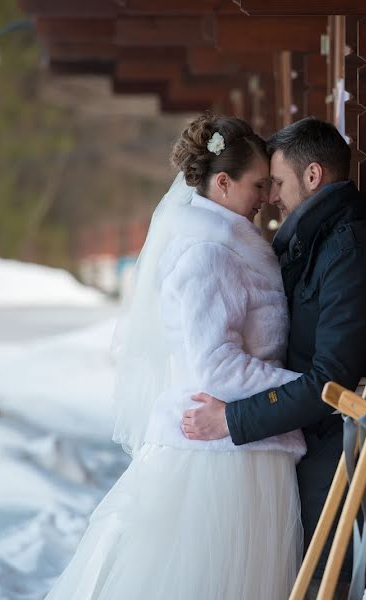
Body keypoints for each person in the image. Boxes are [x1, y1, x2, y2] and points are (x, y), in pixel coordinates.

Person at [45, 113, 305, 600]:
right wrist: (308, 389)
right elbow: (216, 366)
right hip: (222, 458)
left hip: (244, 442)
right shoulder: (208, 252)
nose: (269, 197)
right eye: (258, 184)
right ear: (222, 183)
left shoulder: (229, 245)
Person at [181, 117, 366, 598]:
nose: (271, 197)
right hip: (308, 450)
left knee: (325, 585)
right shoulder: (311, 242)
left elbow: (331, 378)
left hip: (335, 459)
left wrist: (233, 419)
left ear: (312, 176)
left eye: (276, 183)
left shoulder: (348, 249)